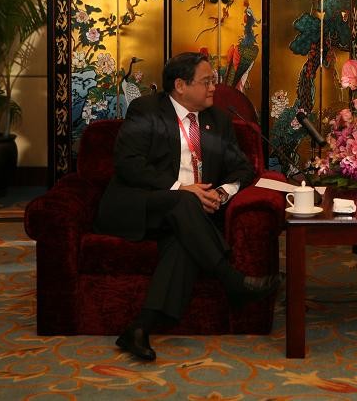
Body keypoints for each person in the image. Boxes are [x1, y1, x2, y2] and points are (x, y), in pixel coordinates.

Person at [96, 52, 281, 362]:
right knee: (185, 201)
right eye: (206, 81)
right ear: (180, 85)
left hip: (187, 218)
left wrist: (221, 192)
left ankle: (140, 328)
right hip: (143, 205)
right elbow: (129, 165)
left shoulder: (217, 120)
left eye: (213, 80)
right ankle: (232, 280)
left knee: (183, 241)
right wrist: (181, 189)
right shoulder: (146, 111)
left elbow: (244, 168)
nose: (214, 87)